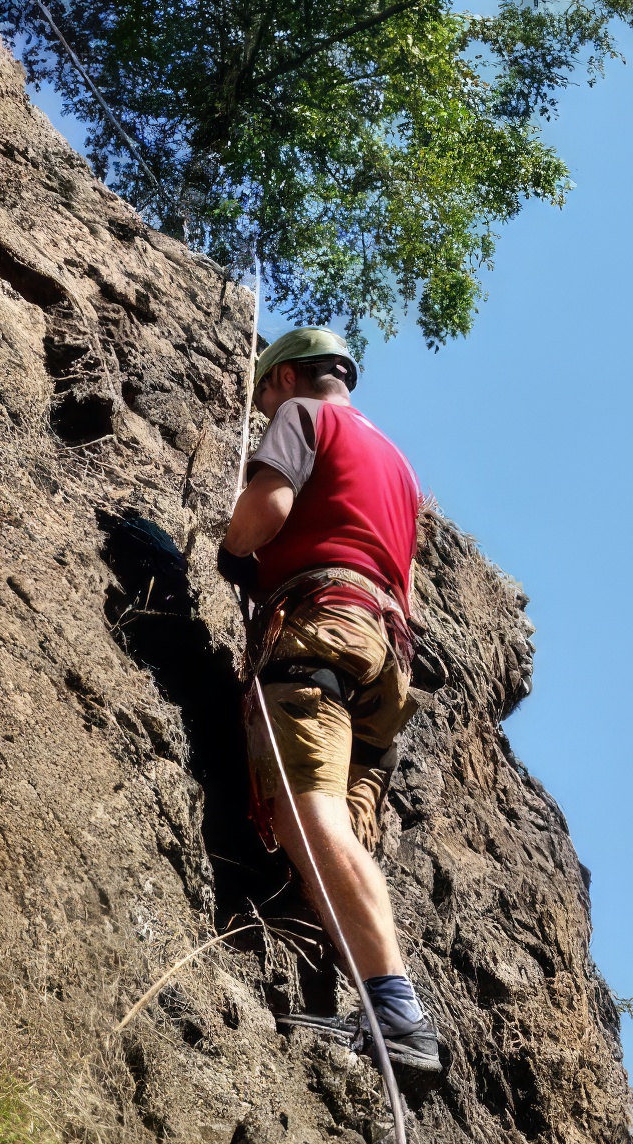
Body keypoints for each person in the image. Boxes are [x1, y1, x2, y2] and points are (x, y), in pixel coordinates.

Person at [217, 327, 441, 1072]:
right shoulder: (400, 467)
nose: (263, 408)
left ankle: (397, 1013)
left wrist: (234, 545)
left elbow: (266, 511)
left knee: (310, 822)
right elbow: (395, 571)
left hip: (324, 632)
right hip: (387, 658)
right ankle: (373, 1005)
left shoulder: (302, 415)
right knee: (340, 827)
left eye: (263, 392)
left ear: (286, 378)